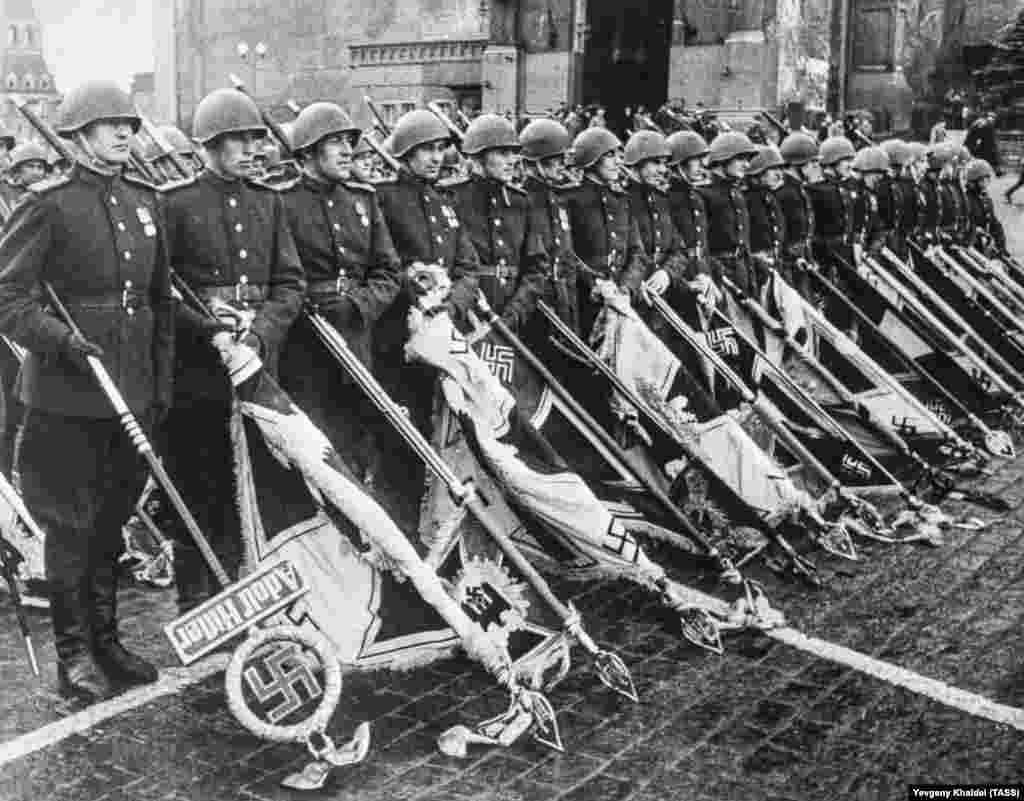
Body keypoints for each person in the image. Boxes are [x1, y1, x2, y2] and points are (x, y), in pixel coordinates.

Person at [0, 80, 174, 701]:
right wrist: (61, 340)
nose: (124, 132)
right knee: (70, 527)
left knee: (112, 521)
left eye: (128, 123)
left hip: (132, 392)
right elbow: (9, 298)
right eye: (108, 125)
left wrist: (160, 388)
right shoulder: (47, 203)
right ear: (77, 136)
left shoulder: (145, 200)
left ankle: (108, 640)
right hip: (66, 396)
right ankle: (75, 655)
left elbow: (158, 303)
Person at [161, 88, 305, 614]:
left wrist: (262, 332)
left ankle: (244, 584)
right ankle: (197, 597)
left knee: (257, 478)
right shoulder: (175, 203)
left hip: (258, 362)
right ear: (209, 145)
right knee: (200, 476)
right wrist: (209, 330)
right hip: (199, 368)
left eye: (254, 140)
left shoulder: (268, 202)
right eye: (237, 140)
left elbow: (291, 284)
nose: (251, 150)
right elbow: (163, 292)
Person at [277, 103, 401, 488]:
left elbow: (388, 271)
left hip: (356, 336)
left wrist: (359, 305)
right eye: (335, 142)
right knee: (314, 439)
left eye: (349, 141)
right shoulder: (282, 201)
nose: (348, 150)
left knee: (357, 437)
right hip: (305, 343)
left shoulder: (363, 198)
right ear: (309, 152)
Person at [447, 114, 548, 333]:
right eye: (503, 153)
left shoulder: (521, 202)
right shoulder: (452, 198)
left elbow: (536, 268)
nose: (512, 160)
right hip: (466, 317)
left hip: (511, 318)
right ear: (478, 157)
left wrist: (513, 316)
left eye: (514, 153)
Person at [560, 128, 648, 336]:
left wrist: (626, 289)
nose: (618, 162)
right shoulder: (570, 200)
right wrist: (594, 283)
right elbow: (565, 253)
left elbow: (637, 252)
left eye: (619, 156)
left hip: (621, 300)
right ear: (591, 159)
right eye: (610, 156)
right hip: (584, 301)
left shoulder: (622, 200)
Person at [518, 118, 581, 335]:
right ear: (539, 161)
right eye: (557, 158)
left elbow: (567, 254)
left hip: (564, 300)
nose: (563, 163)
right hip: (538, 305)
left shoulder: (557, 198)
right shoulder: (523, 201)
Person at [699, 131, 758, 295]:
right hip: (717, 276)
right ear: (721, 160)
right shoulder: (703, 193)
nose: (747, 165)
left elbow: (744, 243)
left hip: (741, 272)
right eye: (741, 159)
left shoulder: (736, 192)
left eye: (747, 160)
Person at [776, 132, 821, 297]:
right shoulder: (784, 194)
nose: (816, 166)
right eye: (812, 162)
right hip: (788, 267)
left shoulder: (798, 190)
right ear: (799, 164)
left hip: (802, 264)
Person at [963, 158, 1007, 256]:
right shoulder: (966, 200)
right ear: (973, 182)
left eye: (987, 179)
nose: (985, 183)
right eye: (982, 180)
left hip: (986, 246)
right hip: (973, 248)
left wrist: (1001, 246)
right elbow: (966, 227)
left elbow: (994, 224)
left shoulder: (985, 199)